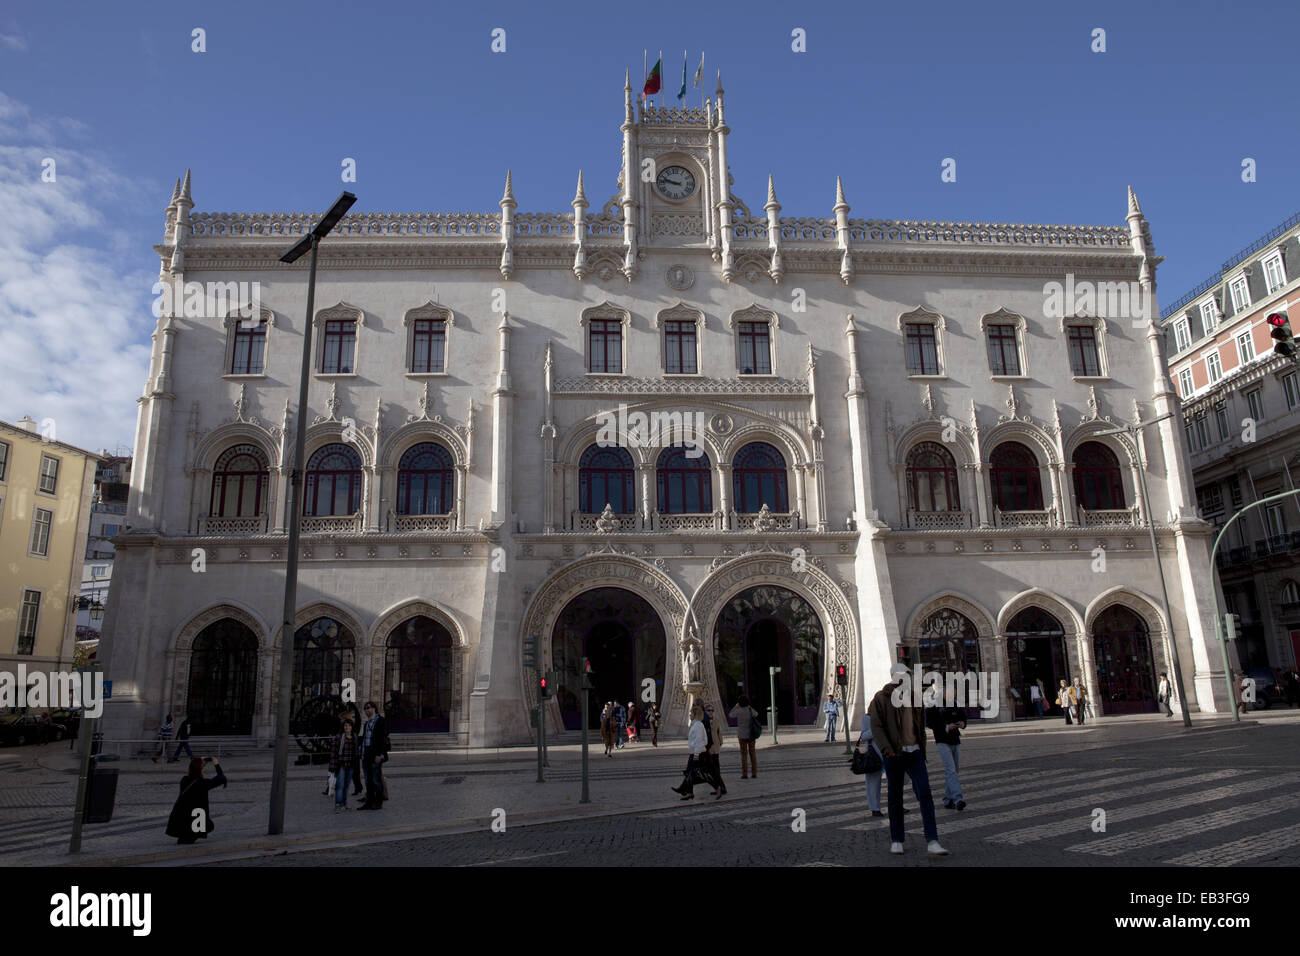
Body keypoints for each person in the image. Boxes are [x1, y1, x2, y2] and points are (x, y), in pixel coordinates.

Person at [871, 664, 947, 856]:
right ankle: (897, 839)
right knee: (895, 797)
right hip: (894, 754)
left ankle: (932, 840)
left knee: (925, 793)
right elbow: (877, 727)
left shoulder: (915, 697)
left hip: (914, 752)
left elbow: (919, 724)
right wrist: (886, 749)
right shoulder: (882, 698)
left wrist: (921, 746)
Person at [164, 756, 226, 844]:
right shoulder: (203, 783)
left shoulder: (184, 780)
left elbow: (195, 769)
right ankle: (190, 837)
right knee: (209, 826)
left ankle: (186, 836)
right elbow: (221, 777)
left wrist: (198, 761)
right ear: (201, 769)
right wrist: (216, 763)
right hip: (195, 819)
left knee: (186, 837)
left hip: (181, 817)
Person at [926, 695, 967, 811]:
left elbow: (962, 715)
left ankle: (947, 799)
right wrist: (946, 727)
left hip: (955, 739)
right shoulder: (933, 704)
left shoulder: (954, 702)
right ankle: (957, 799)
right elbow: (929, 722)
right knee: (951, 770)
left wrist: (962, 723)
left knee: (954, 770)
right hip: (942, 740)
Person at [671, 703, 711, 800]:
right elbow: (704, 740)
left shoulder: (697, 725)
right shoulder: (696, 724)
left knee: (694, 773)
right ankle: (687, 791)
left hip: (696, 753)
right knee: (690, 772)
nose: (689, 715)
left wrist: (696, 754)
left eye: (691, 713)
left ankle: (716, 785)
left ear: (695, 714)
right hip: (694, 752)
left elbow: (699, 740)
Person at [357, 701, 389, 810]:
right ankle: (369, 802)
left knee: (376, 779)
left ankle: (378, 802)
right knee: (368, 780)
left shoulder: (381, 721)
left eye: (368, 708)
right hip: (366, 754)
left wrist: (379, 754)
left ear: (374, 708)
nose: (366, 710)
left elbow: (382, 740)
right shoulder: (366, 723)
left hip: (375, 754)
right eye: (365, 708)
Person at [857, 710, 884, 816]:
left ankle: (898, 805)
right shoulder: (867, 718)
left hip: (889, 752)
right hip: (874, 754)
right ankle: (875, 808)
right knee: (873, 782)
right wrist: (876, 728)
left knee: (896, 781)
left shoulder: (889, 715)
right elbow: (863, 736)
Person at [329, 716, 358, 812]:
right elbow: (333, 752)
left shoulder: (354, 737)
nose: (347, 727)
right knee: (340, 785)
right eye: (345, 726)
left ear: (352, 727)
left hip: (350, 764)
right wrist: (332, 767)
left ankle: (344, 804)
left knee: (346, 786)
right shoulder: (339, 737)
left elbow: (356, 752)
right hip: (341, 764)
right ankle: (338, 804)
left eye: (349, 726)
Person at [728, 694, 760, 779]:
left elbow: (730, 714)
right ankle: (754, 773)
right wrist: (749, 707)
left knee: (743, 755)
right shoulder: (749, 709)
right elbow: (756, 714)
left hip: (742, 735)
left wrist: (735, 706)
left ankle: (744, 773)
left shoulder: (738, 710)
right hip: (751, 735)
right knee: (752, 753)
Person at [703, 704, 727, 799]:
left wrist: (721, 741)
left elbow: (719, 731)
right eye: (708, 710)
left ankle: (721, 788)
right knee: (713, 770)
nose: (710, 712)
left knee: (715, 769)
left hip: (715, 747)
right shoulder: (704, 721)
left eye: (712, 710)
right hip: (708, 748)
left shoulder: (715, 720)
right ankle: (720, 787)